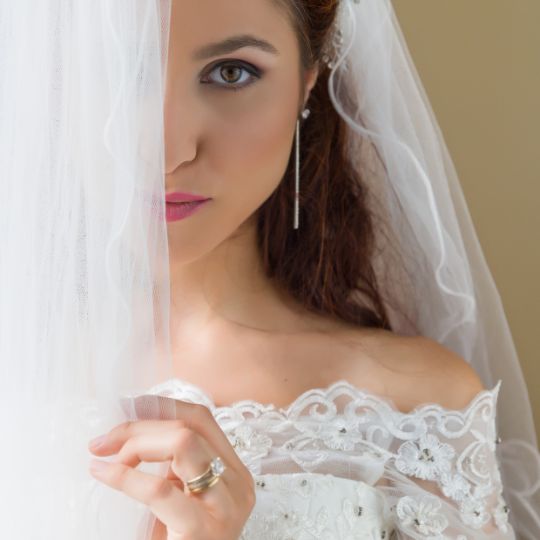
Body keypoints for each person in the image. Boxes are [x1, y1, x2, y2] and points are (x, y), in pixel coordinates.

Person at [2, 0, 538, 539]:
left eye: (230, 73)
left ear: (308, 80)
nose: (166, 152)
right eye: (118, 68)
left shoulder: (415, 410)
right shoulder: (16, 374)